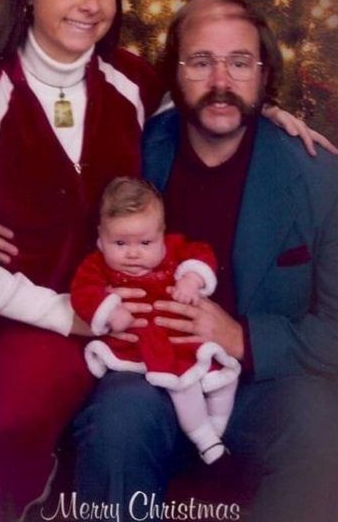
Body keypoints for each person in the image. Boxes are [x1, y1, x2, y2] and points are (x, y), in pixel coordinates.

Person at [0, 0, 338, 522]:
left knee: (319, 433)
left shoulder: (133, 84)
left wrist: (267, 110)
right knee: (31, 428)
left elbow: (209, 93)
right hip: (61, 323)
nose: (91, 3)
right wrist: (58, 300)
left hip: (157, 334)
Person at [69, 0, 338, 522]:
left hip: (266, 384)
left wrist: (242, 337)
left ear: (264, 75)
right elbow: (54, 215)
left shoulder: (326, 182)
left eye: (239, 63)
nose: (221, 81)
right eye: (201, 61)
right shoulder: (133, 152)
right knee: (116, 422)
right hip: (150, 373)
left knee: (327, 435)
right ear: (176, 74)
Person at [71, 176, 241, 465]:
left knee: (223, 376)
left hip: (183, 336)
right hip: (146, 344)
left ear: (162, 233)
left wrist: (192, 277)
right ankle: (205, 438)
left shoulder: (174, 249)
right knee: (182, 383)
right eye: (119, 243)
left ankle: (218, 425)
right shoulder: (96, 265)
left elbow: (201, 253)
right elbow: (83, 292)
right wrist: (109, 310)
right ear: (101, 237)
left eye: (146, 242)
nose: (133, 253)